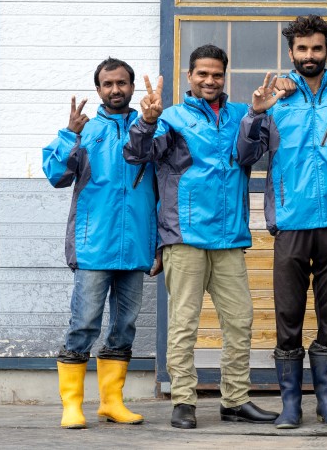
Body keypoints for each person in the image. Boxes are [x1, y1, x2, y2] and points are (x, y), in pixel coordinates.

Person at [124, 44, 278, 429]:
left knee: (240, 321)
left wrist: (256, 115)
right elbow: (137, 154)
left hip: (228, 238)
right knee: (184, 324)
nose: (210, 80)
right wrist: (146, 120)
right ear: (189, 76)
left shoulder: (242, 114)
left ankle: (236, 401)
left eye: (216, 74)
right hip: (184, 236)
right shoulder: (171, 117)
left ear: (224, 76)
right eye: (202, 74)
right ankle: (183, 402)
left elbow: (247, 158)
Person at [236, 15, 327, 429]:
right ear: (291, 52)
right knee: (288, 317)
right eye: (302, 49)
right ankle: (291, 403)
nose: (309, 55)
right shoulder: (275, 100)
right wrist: (254, 114)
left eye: (316, 48)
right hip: (291, 225)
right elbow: (244, 156)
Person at [42, 58, 159, 429]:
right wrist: (68, 134)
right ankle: (72, 405)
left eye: (121, 83)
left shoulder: (150, 130)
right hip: (94, 245)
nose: (115, 90)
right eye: (107, 84)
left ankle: (111, 402)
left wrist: (157, 244)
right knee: (84, 323)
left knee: (124, 326)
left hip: (136, 245)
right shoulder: (87, 131)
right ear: (98, 90)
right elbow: (56, 176)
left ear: (131, 88)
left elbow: (163, 191)